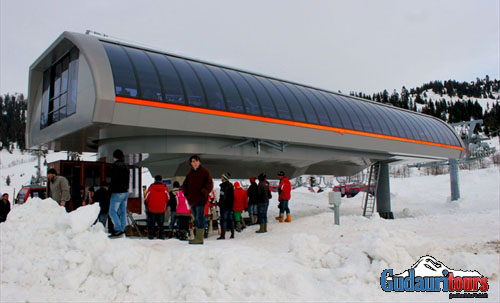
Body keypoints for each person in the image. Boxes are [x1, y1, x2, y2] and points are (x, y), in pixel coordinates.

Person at [182, 155, 214, 245]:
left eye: (196, 161)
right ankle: (197, 237)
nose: (194, 163)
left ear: (199, 162)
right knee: (196, 218)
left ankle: (200, 238)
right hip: (192, 201)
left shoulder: (205, 172)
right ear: (190, 163)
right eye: (192, 161)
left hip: (200, 200)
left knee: (200, 218)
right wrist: (186, 194)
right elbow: (184, 185)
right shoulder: (189, 174)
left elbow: (210, 184)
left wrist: (203, 192)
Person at [108, 149, 130, 238]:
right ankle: (122, 228)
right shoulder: (126, 166)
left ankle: (118, 229)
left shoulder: (115, 166)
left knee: (112, 211)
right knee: (122, 211)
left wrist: (110, 190)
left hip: (117, 192)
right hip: (125, 191)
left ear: (114, 157)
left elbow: (114, 179)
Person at [145, 175, 169, 240]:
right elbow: (168, 198)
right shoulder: (165, 188)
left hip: (152, 208)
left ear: (154, 180)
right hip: (162, 209)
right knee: (161, 223)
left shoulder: (150, 188)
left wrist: (148, 206)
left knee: (152, 222)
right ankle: (161, 235)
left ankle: (151, 235)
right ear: (161, 180)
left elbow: (146, 198)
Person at [217, 172, 234, 240]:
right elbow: (232, 197)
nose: (221, 178)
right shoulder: (231, 186)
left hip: (224, 206)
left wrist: (220, 203)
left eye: (222, 177)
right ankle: (232, 234)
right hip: (230, 206)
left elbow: (222, 197)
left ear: (225, 178)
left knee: (223, 220)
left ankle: (223, 235)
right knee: (231, 219)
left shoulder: (223, 186)